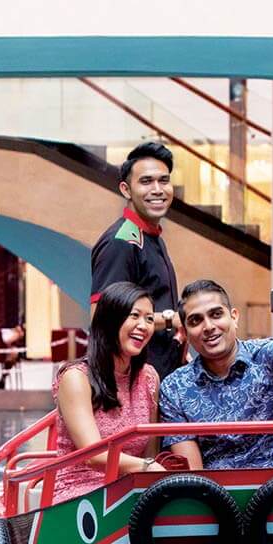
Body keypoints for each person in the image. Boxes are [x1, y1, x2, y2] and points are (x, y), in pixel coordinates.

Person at [158, 278, 273, 470]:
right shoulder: (174, 387)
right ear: (185, 331)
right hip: (221, 493)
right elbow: (194, 472)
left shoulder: (266, 355)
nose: (208, 326)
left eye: (216, 314)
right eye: (196, 320)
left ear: (234, 317)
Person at [45, 281, 165, 505]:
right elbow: (93, 455)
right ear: (110, 320)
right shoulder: (76, 378)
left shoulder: (149, 378)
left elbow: (151, 451)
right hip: (80, 491)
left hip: (132, 486)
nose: (144, 325)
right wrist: (147, 467)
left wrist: (148, 469)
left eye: (149, 319)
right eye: (135, 315)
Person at [92, 140, 184, 377]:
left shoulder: (152, 237)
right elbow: (103, 318)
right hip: (134, 383)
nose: (157, 189)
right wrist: (170, 319)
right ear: (126, 189)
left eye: (164, 180)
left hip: (160, 377)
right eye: (146, 181)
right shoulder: (122, 242)